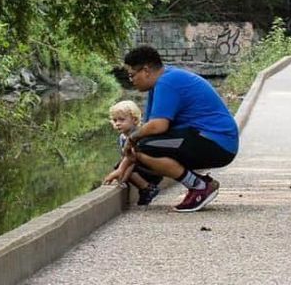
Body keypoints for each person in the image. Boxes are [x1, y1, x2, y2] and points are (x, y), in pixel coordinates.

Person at [121, 45, 239, 212]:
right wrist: (122, 166)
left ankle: (199, 186)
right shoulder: (162, 82)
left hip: (217, 142)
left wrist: (132, 138)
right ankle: (192, 184)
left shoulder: (167, 82)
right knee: (144, 145)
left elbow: (158, 126)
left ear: (146, 70)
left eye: (132, 75)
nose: (131, 80)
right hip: (211, 140)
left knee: (144, 146)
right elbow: (150, 128)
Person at [101, 100, 160, 206]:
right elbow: (125, 158)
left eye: (122, 120)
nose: (117, 123)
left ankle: (147, 188)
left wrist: (122, 179)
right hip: (140, 167)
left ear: (134, 119)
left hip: (152, 170)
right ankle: (144, 189)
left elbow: (131, 161)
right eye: (115, 120)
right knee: (120, 164)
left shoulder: (138, 135)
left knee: (121, 166)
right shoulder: (122, 137)